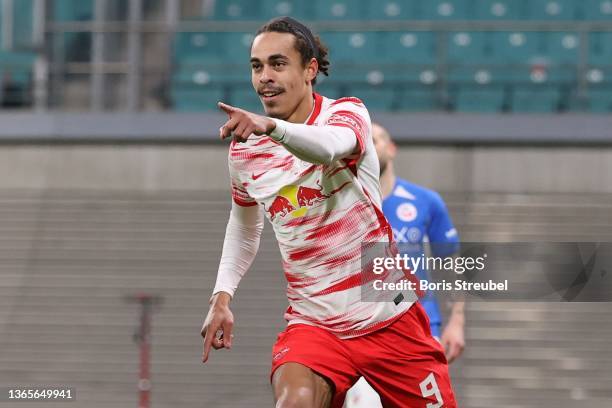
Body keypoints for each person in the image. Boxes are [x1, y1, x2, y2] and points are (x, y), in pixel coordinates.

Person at [200, 16, 457, 408]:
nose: (265, 76)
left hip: (387, 315)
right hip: (314, 323)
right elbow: (244, 226)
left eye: (278, 63)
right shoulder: (245, 151)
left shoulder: (346, 114)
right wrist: (222, 296)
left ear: (310, 70)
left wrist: (271, 126)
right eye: (257, 66)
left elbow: (327, 147)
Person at [345, 123, 466, 408]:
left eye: (375, 140)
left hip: (421, 327)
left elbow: (451, 260)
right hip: (362, 331)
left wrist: (457, 320)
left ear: (391, 148)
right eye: (363, 143)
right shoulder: (344, 202)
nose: (369, 147)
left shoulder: (425, 201)